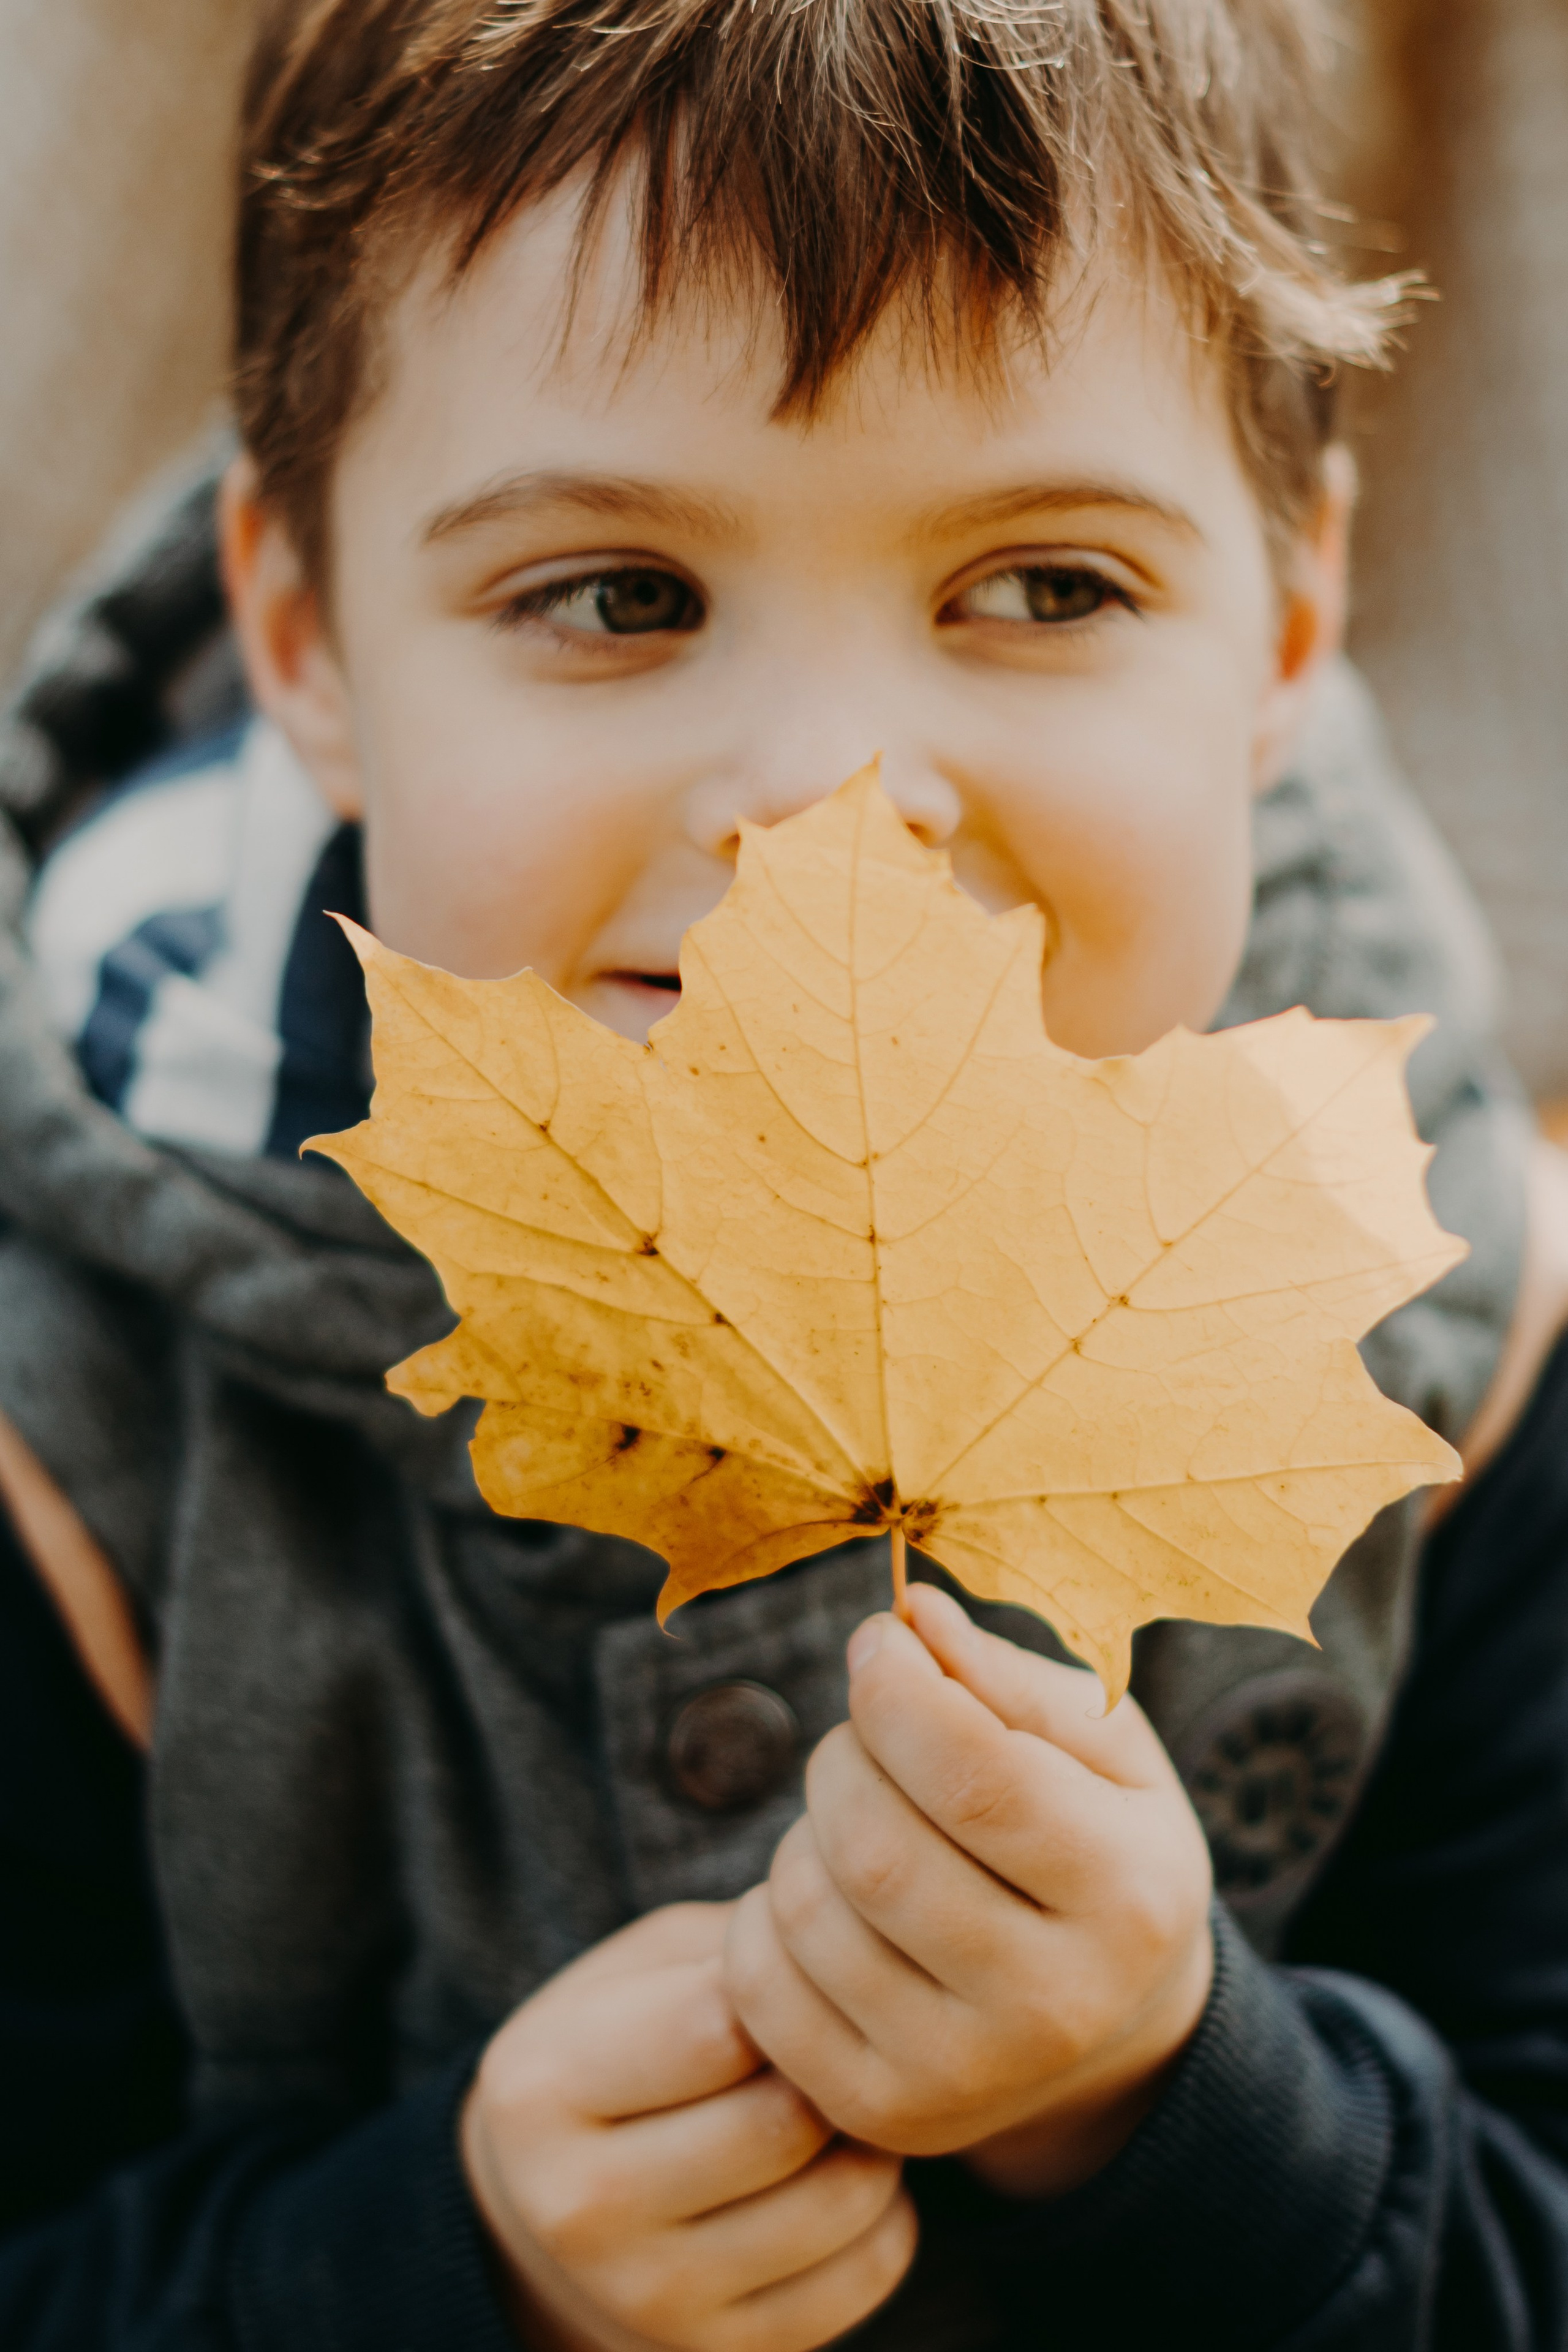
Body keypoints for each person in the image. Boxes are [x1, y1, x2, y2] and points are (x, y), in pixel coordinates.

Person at [2, 0, 1568, 2345]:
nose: (837, 799)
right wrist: (438, 2268)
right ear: (302, 632)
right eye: (620, 596)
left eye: (1044, 587)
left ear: (1293, 622)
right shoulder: (73, 1444)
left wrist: (1183, 2107)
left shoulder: (1462, 1330)